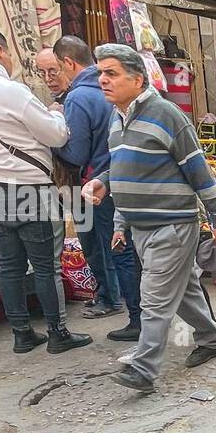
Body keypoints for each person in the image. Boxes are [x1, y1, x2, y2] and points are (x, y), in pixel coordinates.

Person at [82, 44, 216, 394]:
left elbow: (199, 171)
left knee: (154, 298)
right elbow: (122, 172)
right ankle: (212, 339)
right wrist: (113, 207)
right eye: (101, 72)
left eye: (112, 73)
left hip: (174, 226)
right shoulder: (117, 120)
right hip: (141, 229)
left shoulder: (166, 114)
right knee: (183, 293)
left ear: (137, 79)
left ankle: (144, 368)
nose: (103, 80)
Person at [0, 24, 90, 355]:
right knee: (46, 266)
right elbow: (57, 136)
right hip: (30, 189)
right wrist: (55, 114)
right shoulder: (8, 90)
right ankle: (57, 333)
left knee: (9, 264)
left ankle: (22, 334)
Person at [53, 35, 142, 333]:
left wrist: (50, 140)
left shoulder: (81, 97)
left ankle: (131, 314)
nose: (104, 80)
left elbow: (77, 153)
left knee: (112, 248)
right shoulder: (114, 101)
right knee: (126, 248)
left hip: (99, 187)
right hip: (116, 181)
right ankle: (141, 317)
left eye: (55, 70)